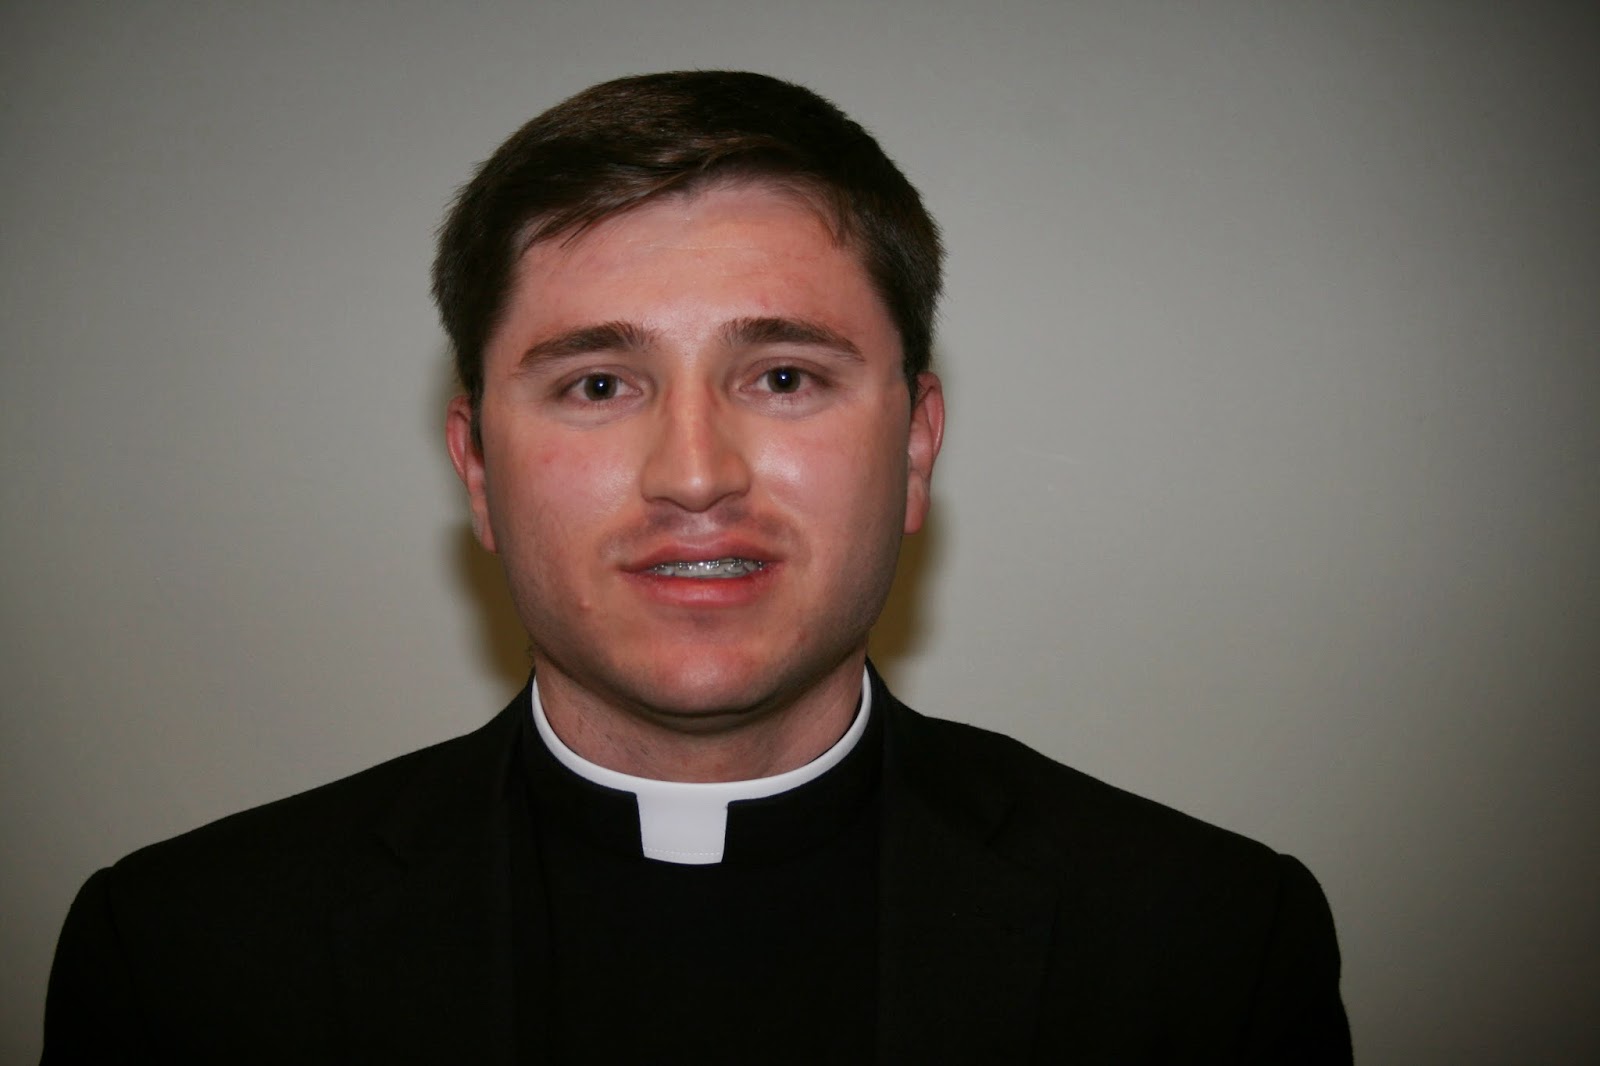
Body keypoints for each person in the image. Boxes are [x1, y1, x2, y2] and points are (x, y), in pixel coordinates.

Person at [42, 71, 1351, 1063]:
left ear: (915, 446)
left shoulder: (1209, 949)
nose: (693, 473)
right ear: (478, 467)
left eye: (781, 377)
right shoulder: (179, 961)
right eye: (598, 383)